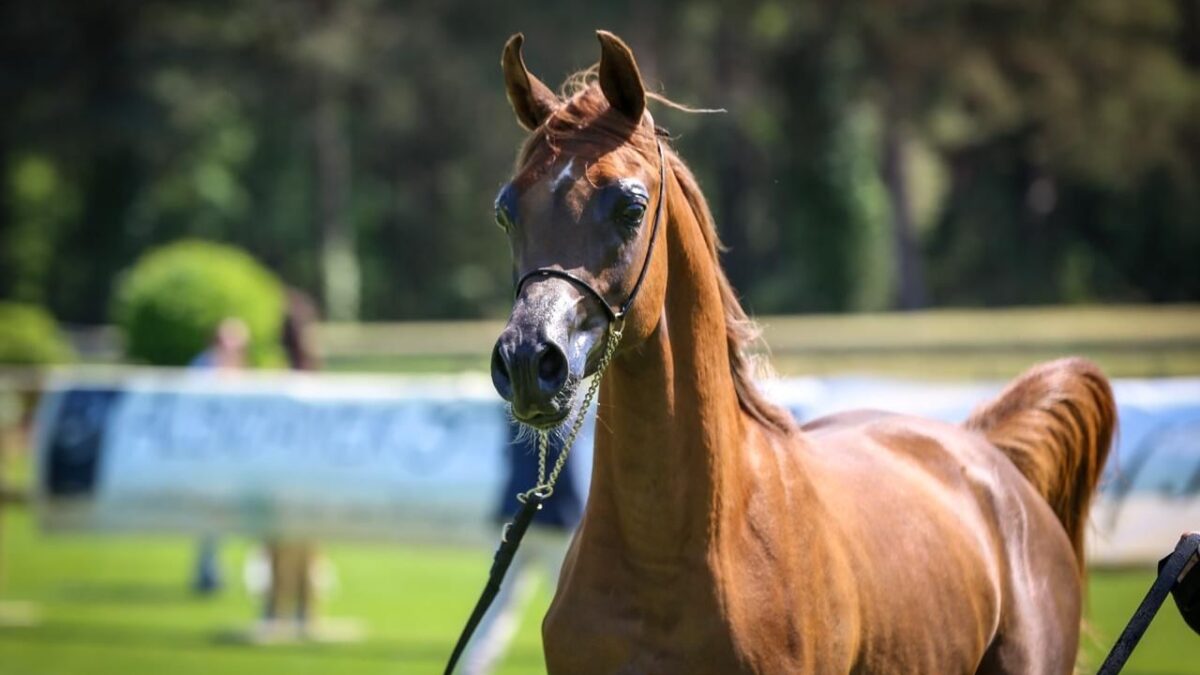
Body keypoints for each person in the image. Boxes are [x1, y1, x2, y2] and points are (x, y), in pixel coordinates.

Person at [461, 423, 583, 674]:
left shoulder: (517, 406)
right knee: (570, 611)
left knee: (498, 608)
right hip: (555, 523)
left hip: (516, 515)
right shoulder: (559, 409)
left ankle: (473, 670)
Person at [189, 317, 250, 594]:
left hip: (232, 458)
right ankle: (207, 572)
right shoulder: (203, 369)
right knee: (210, 516)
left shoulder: (239, 370)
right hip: (207, 458)